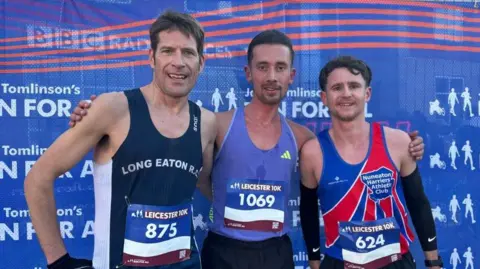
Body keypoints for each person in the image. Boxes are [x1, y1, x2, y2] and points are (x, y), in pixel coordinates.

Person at [68, 31, 425, 269]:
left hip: (278, 251)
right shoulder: (215, 123)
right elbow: (165, 128)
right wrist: (95, 115)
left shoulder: (302, 137)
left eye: (280, 68)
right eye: (263, 67)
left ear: (291, 76)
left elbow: (346, 150)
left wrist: (409, 147)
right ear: (248, 73)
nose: (272, 75)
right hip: (224, 251)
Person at [24, 10, 216, 269]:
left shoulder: (206, 122)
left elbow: (207, 182)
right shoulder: (113, 109)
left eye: (188, 53)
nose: (178, 62)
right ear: (151, 57)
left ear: (201, 62)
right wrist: (58, 261)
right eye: (168, 51)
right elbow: (37, 179)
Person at [299, 56, 442, 269]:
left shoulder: (399, 142)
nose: (346, 93)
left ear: (367, 94)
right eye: (337, 87)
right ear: (324, 98)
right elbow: (308, 210)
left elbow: (417, 202)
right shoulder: (312, 152)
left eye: (354, 86)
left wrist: (433, 261)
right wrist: (314, 262)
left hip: (395, 263)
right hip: (340, 263)